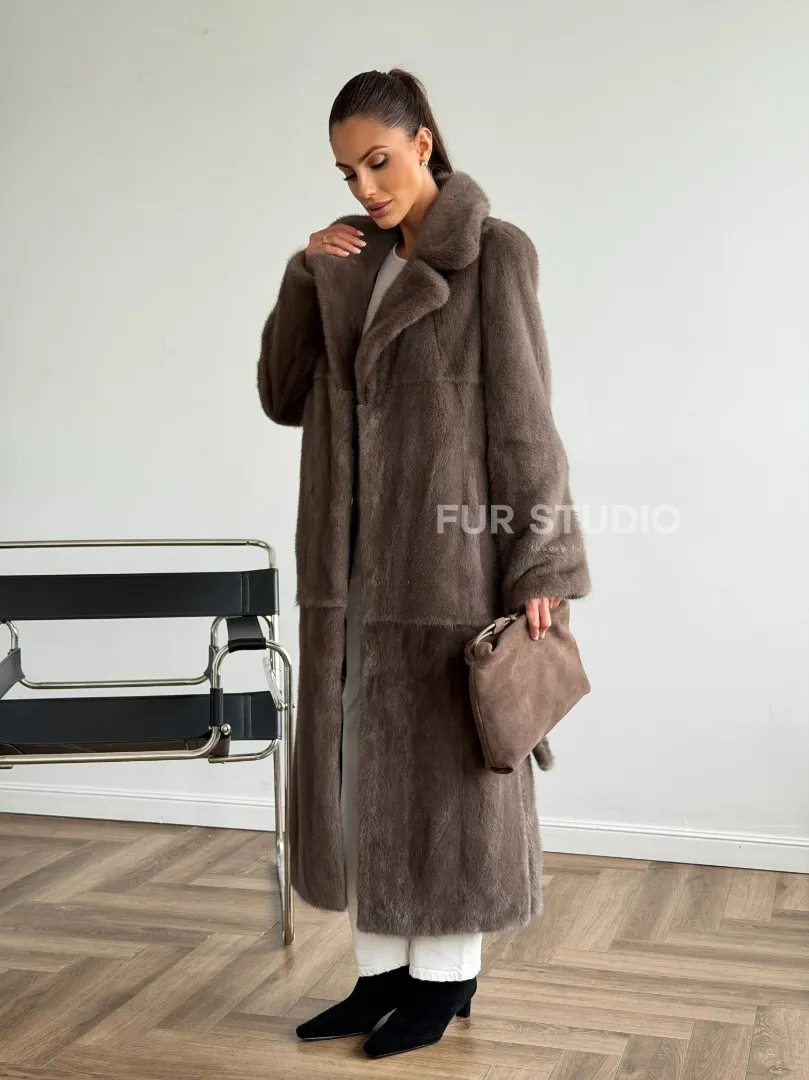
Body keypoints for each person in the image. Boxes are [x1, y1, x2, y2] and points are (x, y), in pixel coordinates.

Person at [257, 67, 591, 1058]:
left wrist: (540, 565)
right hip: (348, 574)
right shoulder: (343, 265)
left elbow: (526, 424)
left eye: (377, 161)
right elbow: (280, 396)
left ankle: (443, 980)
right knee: (362, 771)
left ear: (422, 142)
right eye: (347, 172)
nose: (364, 187)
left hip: (450, 568)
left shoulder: (493, 255)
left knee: (445, 781)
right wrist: (301, 275)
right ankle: (378, 977)